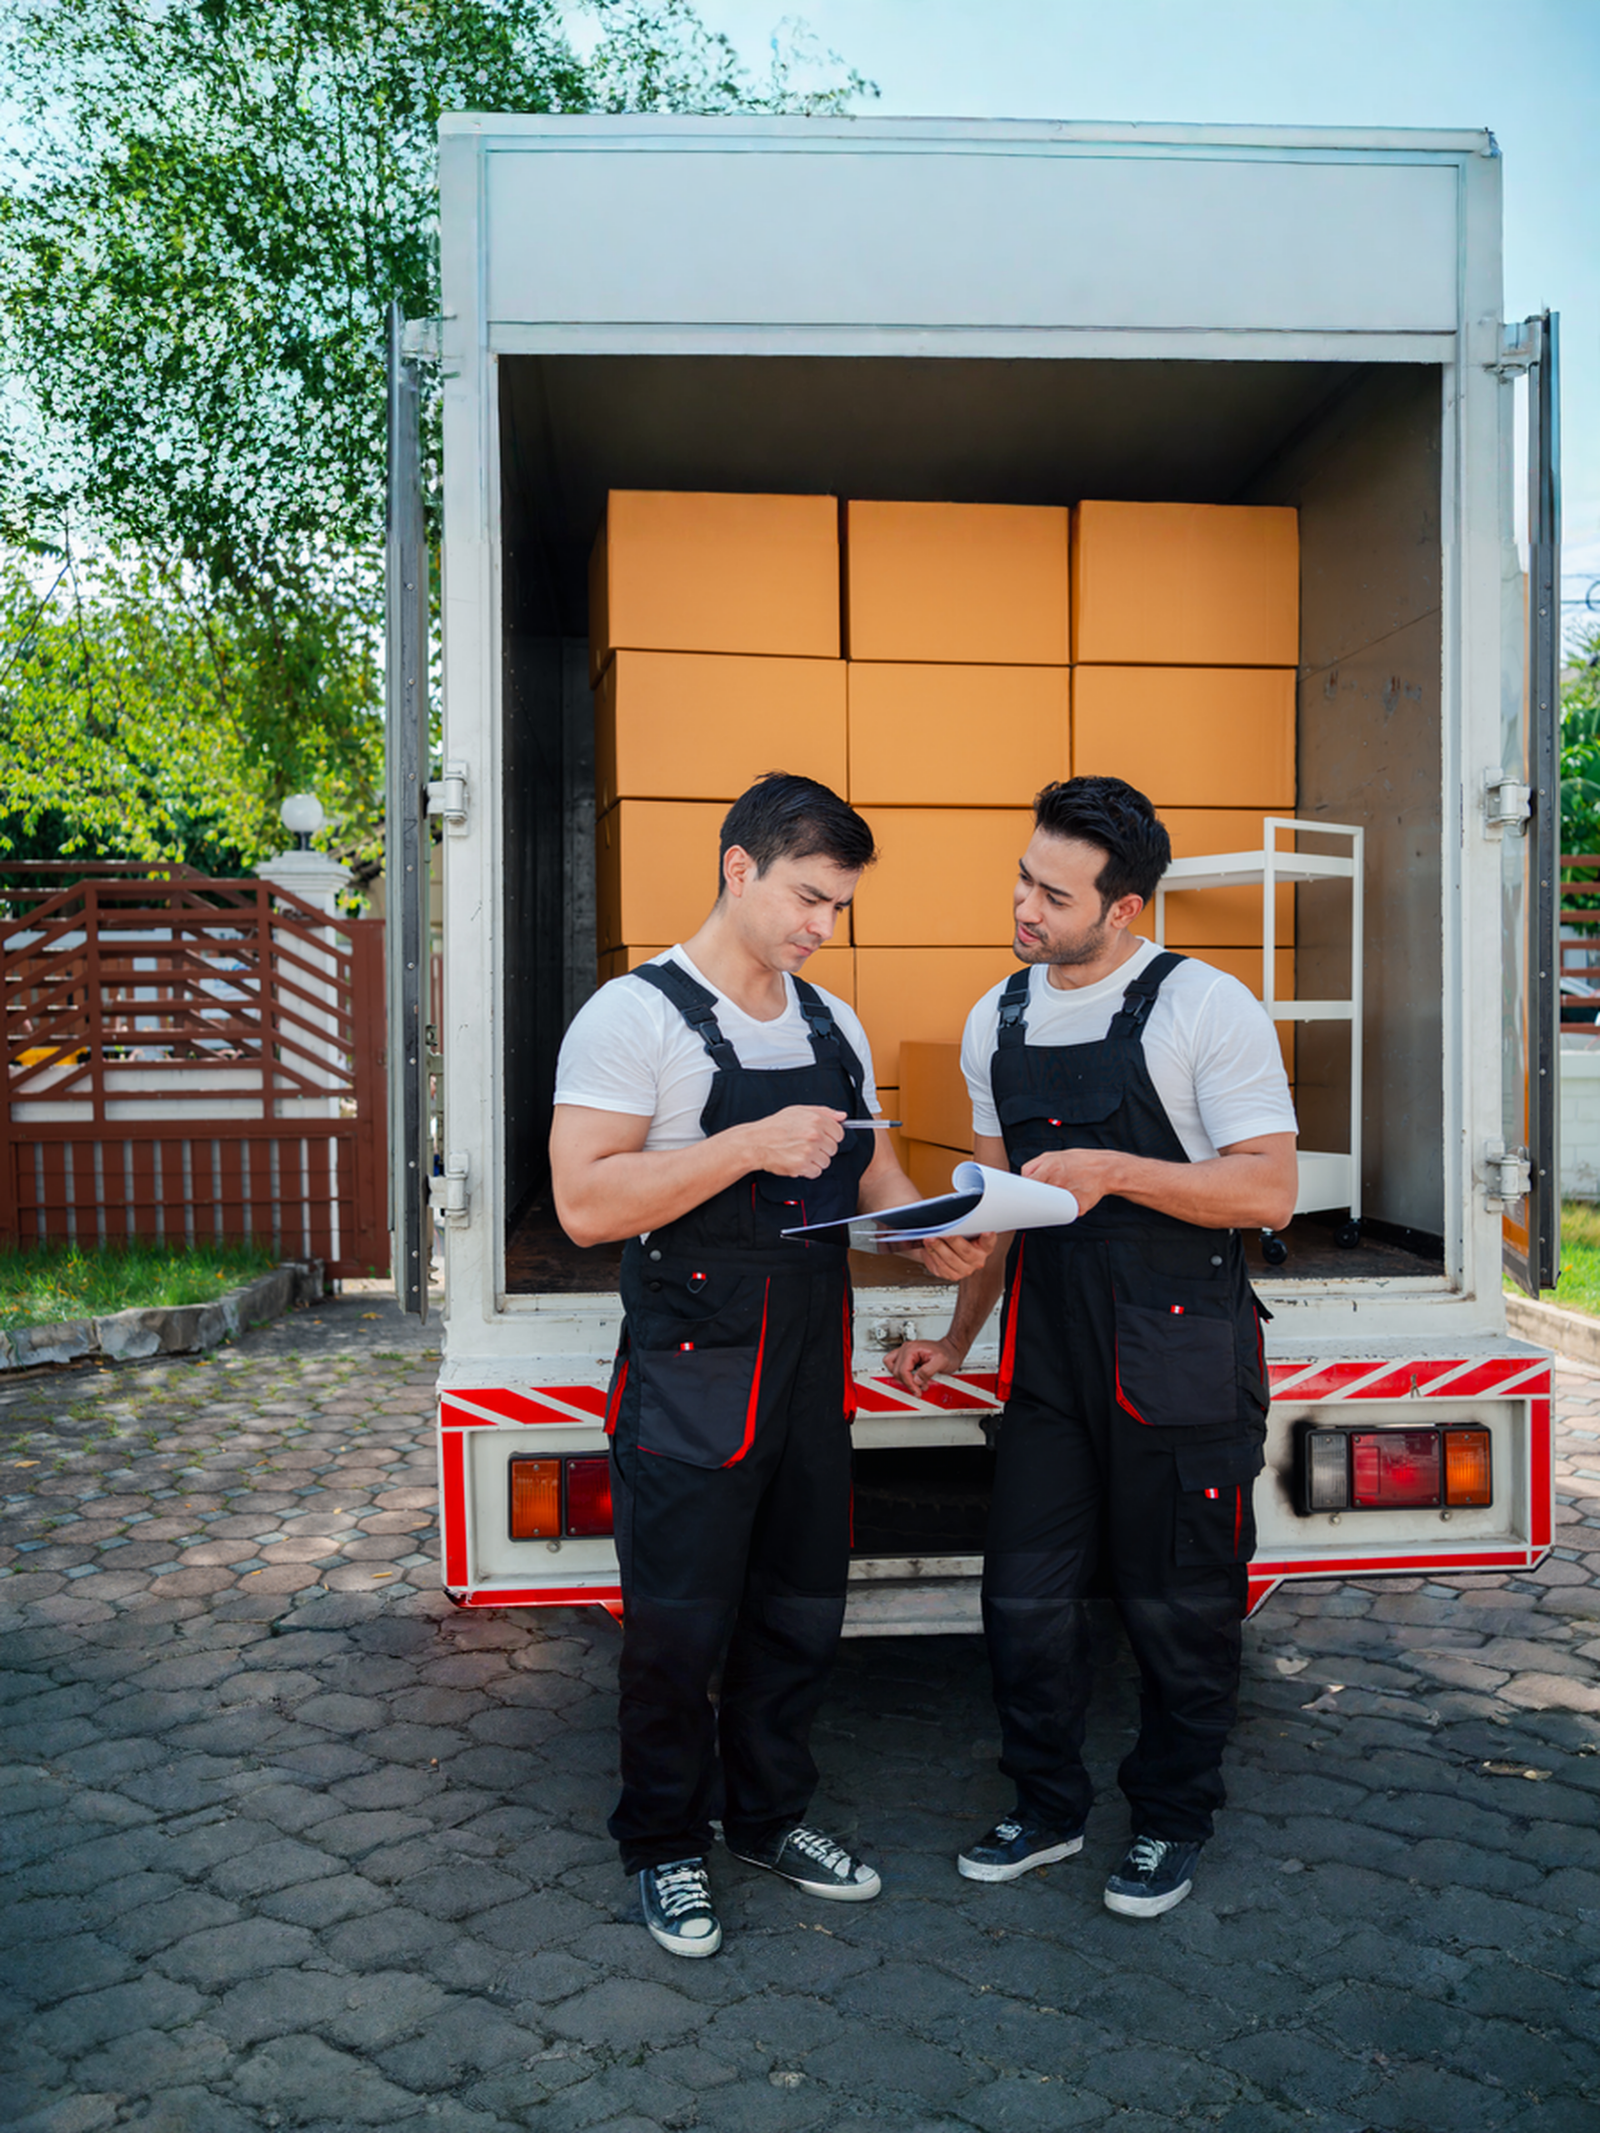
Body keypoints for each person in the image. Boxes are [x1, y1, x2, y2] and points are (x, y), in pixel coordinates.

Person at [550, 772, 991, 1957]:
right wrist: (742, 1141)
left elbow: (873, 1178)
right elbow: (586, 1202)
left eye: (837, 908)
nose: (819, 927)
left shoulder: (828, 1024)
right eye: (807, 897)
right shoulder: (632, 1018)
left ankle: (766, 1819)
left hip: (804, 1372)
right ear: (738, 868)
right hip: (693, 1377)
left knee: (801, 1614)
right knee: (678, 1631)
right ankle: (660, 1847)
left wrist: (927, 1231)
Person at [887, 776, 1297, 1919]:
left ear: (1123, 911)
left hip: (1181, 1350)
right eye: (1024, 877)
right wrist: (958, 1330)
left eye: (1053, 894)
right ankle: (1046, 1805)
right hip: (1053, 1361)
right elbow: (995, 1209)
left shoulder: (1204, 1007)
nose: (1025, 906)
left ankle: (1170, 1819)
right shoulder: (995, 1019)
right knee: (1022, 1596)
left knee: (1181, 1605)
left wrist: (1116, 1170)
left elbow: (1268, 1188)